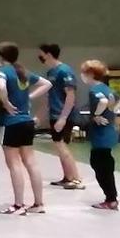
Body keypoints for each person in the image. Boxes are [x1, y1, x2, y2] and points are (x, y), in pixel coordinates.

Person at [0, 42, 52, 215]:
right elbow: (47, 84)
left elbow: (0, 86)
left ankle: (18, 205)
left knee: (14, 164)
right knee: (31, 163)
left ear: (1, 57)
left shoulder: (2, 71)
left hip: (10, 123)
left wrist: (6, 102)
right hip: (27, 122)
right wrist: (29, 97)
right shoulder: (23, 72)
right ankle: (39, 204)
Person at [38, 43, 83, 190]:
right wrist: (40, 115)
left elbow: (70, 95)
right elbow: (49, 96)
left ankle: (75, 179)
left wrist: (63, 117)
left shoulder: (64, 71)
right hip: (54, 114)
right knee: (59, 146)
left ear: (49, 54)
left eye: (42, 54)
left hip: (62, 115)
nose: (40, 58)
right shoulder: (51, 72)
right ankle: (67, 177)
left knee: (62, 145)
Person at [80, 59, 120, 210]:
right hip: (109, 130)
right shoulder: (106, 87)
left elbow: (102, 101)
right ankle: (111, 197)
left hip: (101, 132)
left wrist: (96, 115)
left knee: (99, 163)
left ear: (90, 74)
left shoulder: (95, 89)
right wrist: (112, 113)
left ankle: (110, 198)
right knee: (104, 161)